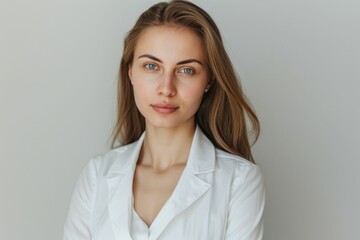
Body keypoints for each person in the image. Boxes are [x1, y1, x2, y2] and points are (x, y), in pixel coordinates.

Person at [63, 1, 265, 239]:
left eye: (186, 70)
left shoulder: (238, 180)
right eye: (151, 66)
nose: (166, 89)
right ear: (130, 72)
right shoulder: (97, 175)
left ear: (208, 80)